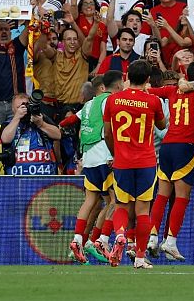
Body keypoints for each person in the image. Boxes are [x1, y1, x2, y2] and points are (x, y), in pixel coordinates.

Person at [103, 60, 168, 269]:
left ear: (126, 76)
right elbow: (162, 125)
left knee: (121, 205)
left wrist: (116, 154)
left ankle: (121, 234)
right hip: (146, 162)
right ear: (148, 79)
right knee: (143, 210)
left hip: (122, 161)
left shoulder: (113, 100)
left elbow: (107, 133)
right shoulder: (153, 101)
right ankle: (139, 258)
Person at [146, 63, 194, 262]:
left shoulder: (171, 90)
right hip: (186, 146)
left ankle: (152, 238)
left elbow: (149, 90)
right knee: (182, 197)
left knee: (162, 195)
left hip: (167, 146)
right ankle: (171, 242)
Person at [69, 70, 123, 263]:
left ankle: (77, 240)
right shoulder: (110, 100)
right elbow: (110, 130)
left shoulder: (88, 104)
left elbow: (69, 121)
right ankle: (102, 239)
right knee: (116, 201)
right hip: (105, 156)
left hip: (89, 158)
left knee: (90, 201)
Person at [0, 93, 62, 176]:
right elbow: (5, 139)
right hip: (15, 178)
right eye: (19, 107)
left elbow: (58, 135)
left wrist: (41, 124)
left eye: (26, 106)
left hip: (45, 176)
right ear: (13, 109)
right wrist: (17, 117)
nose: (24, 109)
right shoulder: (8, 124)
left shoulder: (41, 119)